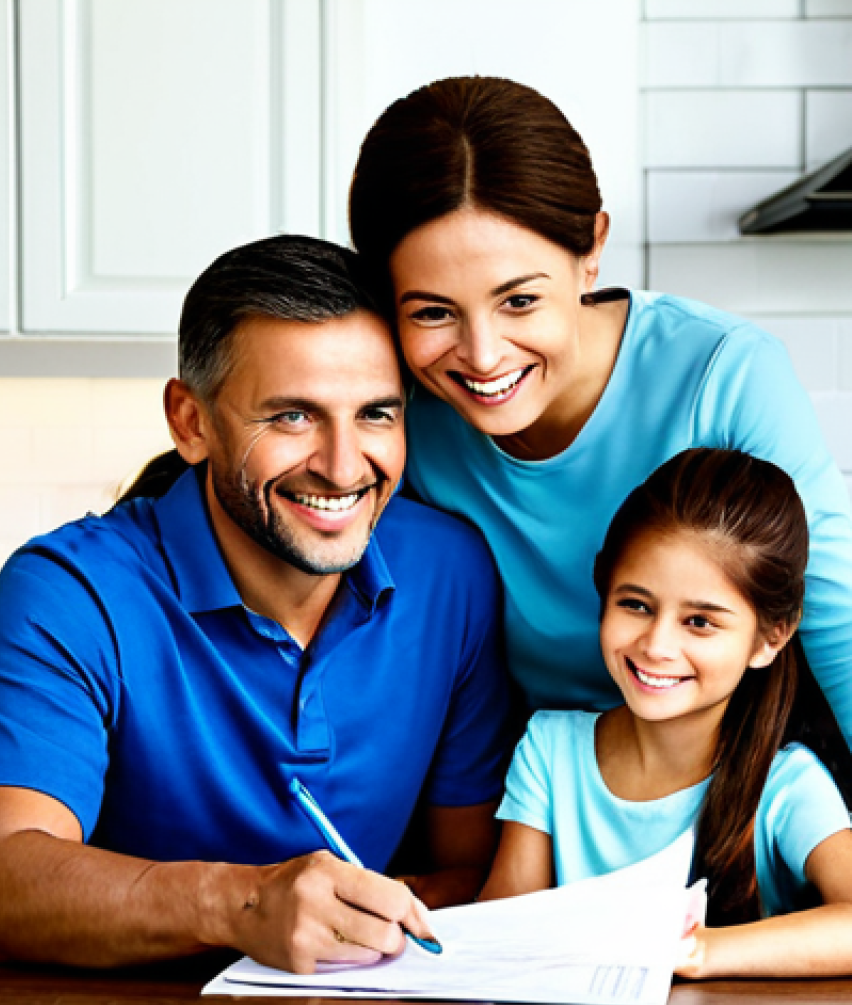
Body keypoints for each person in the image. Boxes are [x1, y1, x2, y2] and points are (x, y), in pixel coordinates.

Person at [0, 235, 511, 973]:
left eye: (375, 414)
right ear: (191, 422)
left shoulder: (450, 572)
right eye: (292, 417)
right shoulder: (65, 592)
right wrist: (243, 907)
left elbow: (475, 876)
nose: (342, 467)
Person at [348, 76, 852, 757]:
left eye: (519, 301)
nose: (483, 355)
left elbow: (834, 616)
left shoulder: (725, 373)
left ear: (591, 252)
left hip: (730, 785)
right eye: (433, 312)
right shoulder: (397, 415)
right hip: (531, 788)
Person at [480, 447, 852, 978]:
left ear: (770, 638)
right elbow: (500, 933)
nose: (656, 645)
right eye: (635, 605)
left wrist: (696, 952)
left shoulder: (786, 785)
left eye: (699, 622)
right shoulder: (548, 750)